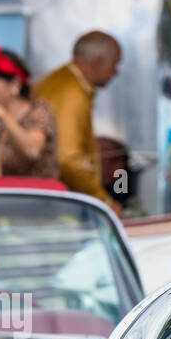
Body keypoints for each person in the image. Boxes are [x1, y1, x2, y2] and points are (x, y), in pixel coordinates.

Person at [34, 31, 122, 213]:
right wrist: (105, 203)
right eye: (114, 65)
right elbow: (69, 160)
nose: (116, 73)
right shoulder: (72, 93)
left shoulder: (60, 81)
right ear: (98, 61)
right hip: (55, 207)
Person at [0, 45, 59, 181]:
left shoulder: (39, 110)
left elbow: (32, 150)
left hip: (37, 199)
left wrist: (3, 115)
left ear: (15, 83)